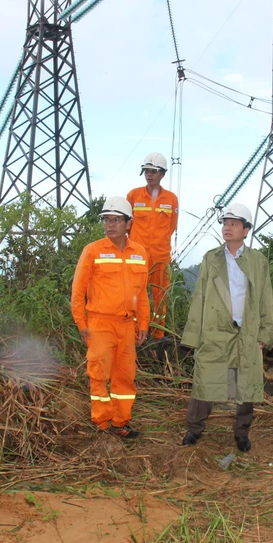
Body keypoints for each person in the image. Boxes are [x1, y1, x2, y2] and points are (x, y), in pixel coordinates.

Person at [180, 203, 273, 453]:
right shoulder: (211, 258)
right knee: (205, 378)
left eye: (234, 224)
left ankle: (241, 433)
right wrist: (194, 335)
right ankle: (194, 429)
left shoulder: (257, 261)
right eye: (225, 223)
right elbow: (199, 297)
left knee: (244, 383)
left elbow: (266, 298)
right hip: (215, 330)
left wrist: (265, 333)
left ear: (246, 230)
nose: (227, 228)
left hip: (246, 331)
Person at [71, 196, 150, 438]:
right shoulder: (93, 251)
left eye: (116, 220)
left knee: (125, 377)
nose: (110, 224)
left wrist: (143, 323)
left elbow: (142, 293)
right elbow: (78, 291)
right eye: (107, 220)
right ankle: (102, 423)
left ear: (128, 223)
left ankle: (120, 422)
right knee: (99, 375)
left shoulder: (140, 253)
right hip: (100, 324)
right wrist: (81, 323)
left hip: (127, 326)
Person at [127, 153, 179, 340]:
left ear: (162, 173)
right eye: (146, 171)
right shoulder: (133, 196)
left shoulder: (171, 199)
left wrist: (158, 243)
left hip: (160, 255)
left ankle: (158, 335)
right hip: (136, 256)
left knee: (160, 295)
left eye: (153, 171)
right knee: (133, 293)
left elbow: (171, 226)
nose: (149, 174)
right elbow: (127, 223)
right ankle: (134, 332)